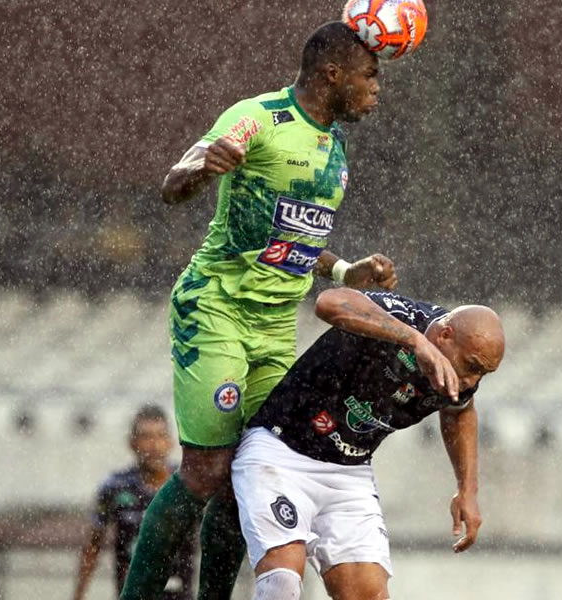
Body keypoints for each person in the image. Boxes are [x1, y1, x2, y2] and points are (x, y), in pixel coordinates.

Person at [121, 21, 398, 600]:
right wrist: (203, 167)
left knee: (252, 473)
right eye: (370, 76)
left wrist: (346, 272)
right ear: (332, 73)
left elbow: (288, 233)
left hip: (276, 327)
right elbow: (173, 184)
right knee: (207, 472)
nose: (377, 89)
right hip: (217, 308)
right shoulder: (257, 117)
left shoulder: (334, 145)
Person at [231, 287, 506, 600]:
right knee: (282, 583)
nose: (472, 380)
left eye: (483, 373)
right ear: (444, 335)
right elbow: (328, 302)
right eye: (472, 366)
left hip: (349, 472)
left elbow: (459, 412)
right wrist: (413, 340)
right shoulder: (403, 316)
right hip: (282, 451)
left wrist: (467, 490)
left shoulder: (461, 374)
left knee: (369, 596)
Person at [73, 405, 196, 600]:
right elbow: (93, 545)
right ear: (132, 443)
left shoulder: (188, 485)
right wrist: (79, 594)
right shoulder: (115, 486)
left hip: (179, 594)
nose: (154, 445)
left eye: (160, 436)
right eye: (146, 437)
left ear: (171, 442)